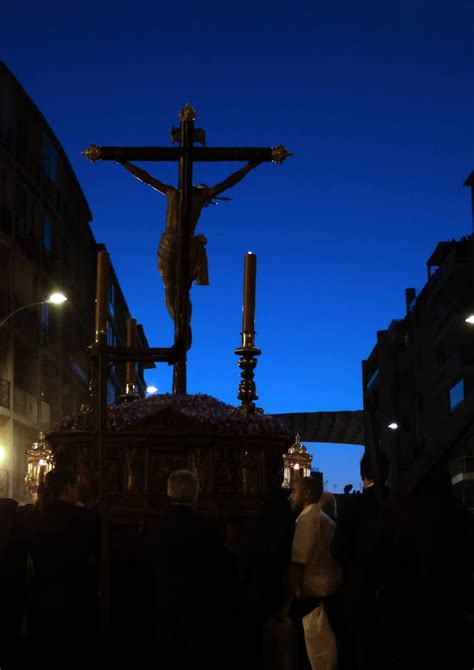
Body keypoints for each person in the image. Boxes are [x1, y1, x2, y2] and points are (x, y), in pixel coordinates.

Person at [118, 160, 260, 347]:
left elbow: (146, 178)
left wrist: (122, 161)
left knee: (175, 288)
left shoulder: (178, 193)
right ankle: (182, 327)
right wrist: (248, 167)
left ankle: (182, 328)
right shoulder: (183, 194)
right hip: (177, 242)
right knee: (175, 289)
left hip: (176, 242)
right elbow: (146, 178)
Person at [151, 470, 238, 670]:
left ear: (168, 492)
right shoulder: (208, 528)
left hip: (164, 601)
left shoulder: (155, 525)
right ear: (196, 494)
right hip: (199, 605)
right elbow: (220, 568)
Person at [26, 468, 100, 668]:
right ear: (67, 488)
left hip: (42, 596)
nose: (77, 492)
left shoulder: (34, 516)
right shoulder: (88, 518)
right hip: (77, 598)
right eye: (75, 487)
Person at [332, 449, 389, 670]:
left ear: (362, 474)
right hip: (394, 592)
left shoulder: (354, 507)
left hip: (360, 591)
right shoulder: (398, 502)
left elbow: (339, 549)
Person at [278, 477, 342, 670]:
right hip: (329, 599)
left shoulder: (307, 520)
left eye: (293, 491)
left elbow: (298, 564)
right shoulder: (325, 519)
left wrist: (287, 604)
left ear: (307, 494)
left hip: (313, 605)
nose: (289, 497)